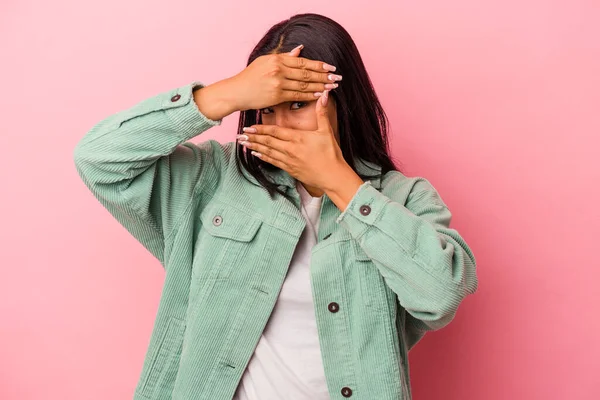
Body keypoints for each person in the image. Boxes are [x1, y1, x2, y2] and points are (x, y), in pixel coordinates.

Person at [73, 12, 478, 400]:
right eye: (267, 109)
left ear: (344, 103)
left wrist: (341, 184)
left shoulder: (403, 197)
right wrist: (226, 93)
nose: (279, 127)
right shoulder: (211, 178)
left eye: (298, 104)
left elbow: (441, 294)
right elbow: (99, 160)